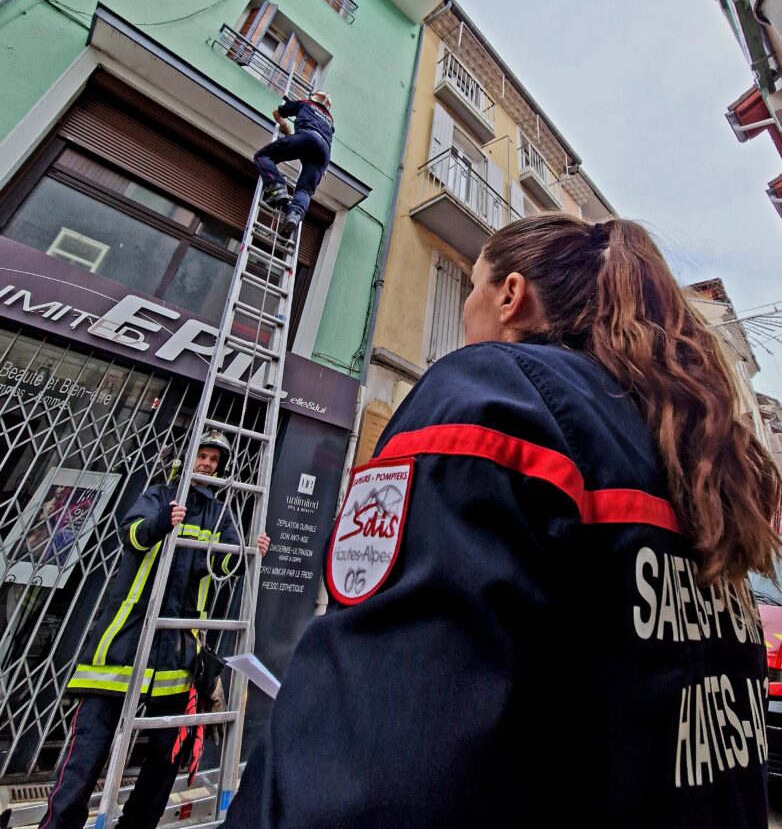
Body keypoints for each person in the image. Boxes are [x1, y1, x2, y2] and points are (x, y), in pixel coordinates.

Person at [224, 214, 780, 828]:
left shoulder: (493, 392)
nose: (466, 310)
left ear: (511, 295)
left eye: (472, 286)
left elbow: (369, 764)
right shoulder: (691, 463)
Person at [40, 430, 271, 829]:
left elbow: (224, 566)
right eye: (202, 455)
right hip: (124, 644)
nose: (207, 464)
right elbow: (131, 535)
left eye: (214, 460)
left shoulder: (219, 514)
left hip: (176, 653)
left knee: (165, 758)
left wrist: (251, 551)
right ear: (188, 457)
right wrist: (162, 522)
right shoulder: (158, 496)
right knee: (88, 752)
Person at [253, 90, 334, 240]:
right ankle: (294, 215)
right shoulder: (330, 120)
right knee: (305, 190)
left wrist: (286, 128)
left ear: (313, 97)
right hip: (324, 154)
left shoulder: (305, 103)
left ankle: (277, 187)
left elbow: (277, 113)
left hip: (307, 137)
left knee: (262, 156)